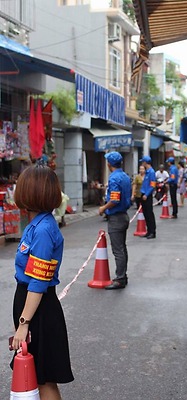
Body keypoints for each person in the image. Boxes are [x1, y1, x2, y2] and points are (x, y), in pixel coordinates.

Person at [11, 165, 74, 400]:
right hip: (30, 306)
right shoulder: (35, 225)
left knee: (44, 378)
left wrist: (24, 322)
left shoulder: (43, 230)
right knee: (35, 373)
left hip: (39, 309)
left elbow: (38, 282)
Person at [99, 152, 131, 289]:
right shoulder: (125, 176)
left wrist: (103, 208)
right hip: (124, 216)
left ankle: (120, 279)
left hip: (116, 218)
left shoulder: (114, 179)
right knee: (122, 248)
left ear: (109, 164)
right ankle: (123, 275)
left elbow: (114, 199)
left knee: (118, 250)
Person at [140, 155, 156, 239]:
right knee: (145, 213)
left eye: (143, 162)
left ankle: (152, 232)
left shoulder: (151, 172)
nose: (142, 164)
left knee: (149, 213)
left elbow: (152, 185)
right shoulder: (147, 172)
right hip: (143, 194)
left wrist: (146, 194)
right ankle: (148, 231)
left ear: (145, 163)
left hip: (147, 195)